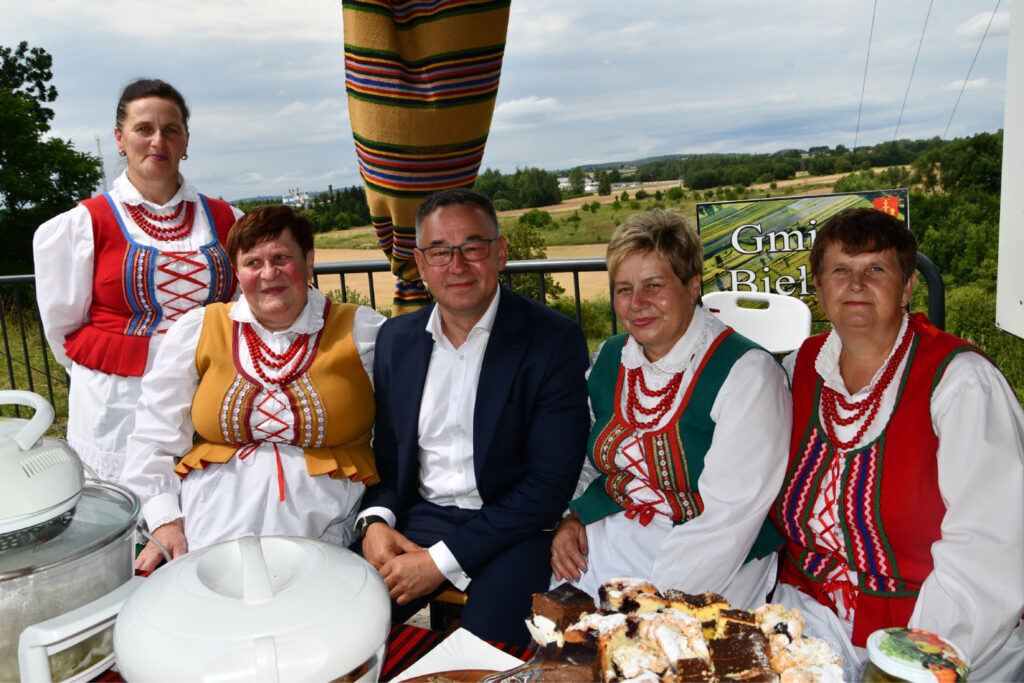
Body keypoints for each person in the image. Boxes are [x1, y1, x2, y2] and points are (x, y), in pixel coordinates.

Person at [770, 207, 1024, 681]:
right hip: (809, 611)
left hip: (938, 627)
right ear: (821, 288)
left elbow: (988, 549)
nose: (856, 284)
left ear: (907, 288)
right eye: (840, 270)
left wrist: (910, 664)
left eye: (877, 270)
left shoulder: (962, 384)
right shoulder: (797, 368)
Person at [357, 188, 590, 646]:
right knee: (342, 634)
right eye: (440, 252)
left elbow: (547, 486)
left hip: (514, 528)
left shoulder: (552, 340)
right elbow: (385, 456)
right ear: (421, 266)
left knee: (486, 657)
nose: (457, 265)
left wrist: (438, 563)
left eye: (473, 247)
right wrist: (376, 522)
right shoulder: (396, 340)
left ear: (500, 253)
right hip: (416, 520)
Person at [121, 205, 385, 572]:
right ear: (237, 271)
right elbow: (153, 435)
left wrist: (378, 519)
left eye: (281, 258)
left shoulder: (364, 332)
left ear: (309, 261)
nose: (269, 273)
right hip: (210, 525)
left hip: (323, 528)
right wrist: (166, 522)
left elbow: (402, 434)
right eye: (253, 262)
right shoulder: (199, 329)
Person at [550, 209, 791, 609]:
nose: (637, 303)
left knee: (649, 654)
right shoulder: (611, 358)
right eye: (623, 288)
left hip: (715, 555)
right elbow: (584, 457)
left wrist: (653, 603)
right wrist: (571, 515)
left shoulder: (748, 373)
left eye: (654, 285)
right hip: (614, 533)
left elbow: (730, 517)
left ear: (693, 285)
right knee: (563, 639)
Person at [33, 78, 241, 482]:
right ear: (120, 138)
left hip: (207, 392)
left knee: (205, 514)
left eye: (171, 130)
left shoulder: (227, 219)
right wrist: (109, 375)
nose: (157, 141)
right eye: (144, 129)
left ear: (185, 141)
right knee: (129, 521)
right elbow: (62, 330)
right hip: (119, 402)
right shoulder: (82, 225)